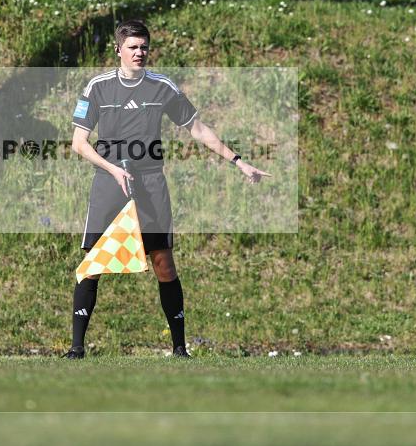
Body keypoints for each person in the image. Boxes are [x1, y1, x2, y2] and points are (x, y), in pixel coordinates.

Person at [64, 20, 269, 359]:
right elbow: (78, 143)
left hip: (150, 182)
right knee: (93, 262)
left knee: (163, 262)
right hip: (109, 180)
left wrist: (239, 161)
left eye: (143, 47)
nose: (139, 52)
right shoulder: (97, 87)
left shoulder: (162, 87)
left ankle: (179, 348)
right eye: (132, 47)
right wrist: (113, 168)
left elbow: (199, 130)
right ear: (118, 50)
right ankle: (76, 349)